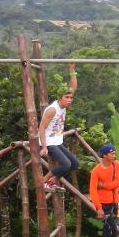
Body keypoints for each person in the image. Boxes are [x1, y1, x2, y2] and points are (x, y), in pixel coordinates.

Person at [37, 63, 79, 191]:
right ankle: (43, 182)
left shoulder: (64, 106)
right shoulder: (52, 110)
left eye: (71, 98)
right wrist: (44, 147)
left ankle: (52, 181)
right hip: (49, 142)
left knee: (75, 164)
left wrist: (72, 71)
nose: (70, 100)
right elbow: (41, 128)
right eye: (67, 97)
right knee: (65, 164)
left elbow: (73, 87)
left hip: (57, 140)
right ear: (60, 98)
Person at [89, 144, 119, 237]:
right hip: (102, 203)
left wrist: (103, 185)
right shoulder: (96, 171)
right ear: (104, 155)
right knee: (111, 226)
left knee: (108, 227)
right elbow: (93, 190)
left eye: (114, 153)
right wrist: (98, 207)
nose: (114, 155)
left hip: (114, 201)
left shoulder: (117, 165)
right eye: (112, 153)